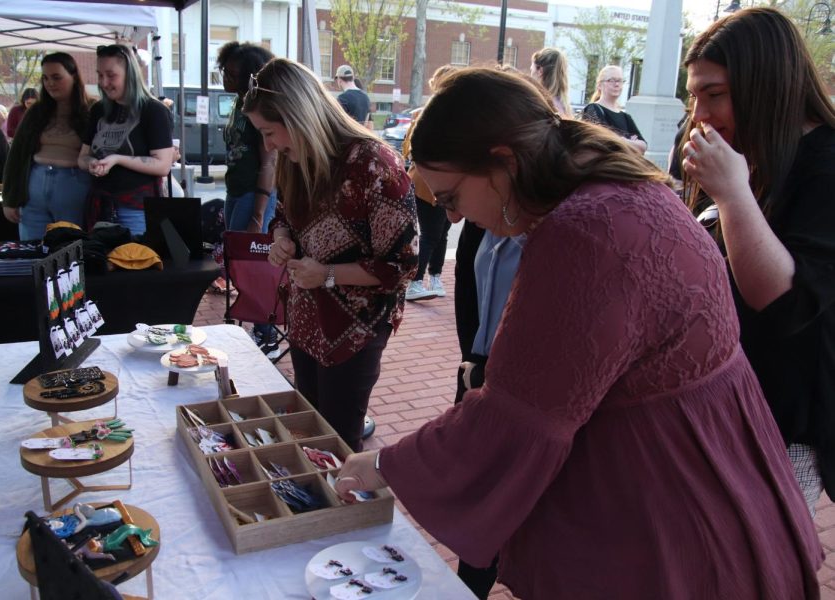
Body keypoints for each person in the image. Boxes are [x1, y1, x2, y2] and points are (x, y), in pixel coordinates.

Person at [333, 67, 822, 598]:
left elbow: (517, 416)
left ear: (504, 162)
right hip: (713, 483)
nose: (451, 220)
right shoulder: (618, 185)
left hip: (669, 518)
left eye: (451, 197)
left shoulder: (582, 232)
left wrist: (384, 463)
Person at [681, 7, 835, 518]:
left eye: (715, 94)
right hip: (718, 408)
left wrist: (730, 193)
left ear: (765, 84)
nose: (699, 113)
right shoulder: (751, 150)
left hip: (783, 426)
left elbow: (783, 301)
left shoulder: (825, 161)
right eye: (694, 95)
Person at [244, 58, 418, 451]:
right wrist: (282, 238)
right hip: (307, 316)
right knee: (311, 427)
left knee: (338, 439)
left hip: (355, 327)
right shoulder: (296, 160)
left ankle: (340, 508)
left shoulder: (374, 164)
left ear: (298, 115)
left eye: (270, 132)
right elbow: (284, 215)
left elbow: (402, 267)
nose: (268, 145)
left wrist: (327, 274)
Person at [215, 41, 280, 356]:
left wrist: (258, 212)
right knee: (239, 264)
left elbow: (269, 163)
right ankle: (258, 330)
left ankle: (266, 334)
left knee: (253, 266)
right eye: (224, 71)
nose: (225, 78)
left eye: (232, 73)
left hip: (255, 195)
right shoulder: (237, 105)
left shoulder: (258, 109)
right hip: (235, 192)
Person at [78, 44, 174, 235]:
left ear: (130, 74)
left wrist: (117, 159)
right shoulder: (98, 110)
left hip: (136, 210)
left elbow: (163, 165)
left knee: (134, 262)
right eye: (100, 75)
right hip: (100, 207)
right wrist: (91, 163)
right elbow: (82, 157)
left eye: (111, 75)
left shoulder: (153, 111)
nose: (104, 82)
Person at [2, 53, 94, 240]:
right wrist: (9, 199)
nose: (50, 83)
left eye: (56, 77)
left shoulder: (92, 109)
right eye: (45, 78)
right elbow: (17, 154)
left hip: (74, 184)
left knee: (72, 251)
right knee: (32, 250)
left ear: (74, 76)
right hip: (34, 184)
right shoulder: (36, 110)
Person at [403, 65, 456, 301]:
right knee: (431, 234)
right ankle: (415, 282)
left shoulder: (445, 113)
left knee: (441, 232)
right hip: (428, 185)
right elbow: (411, 149)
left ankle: (434, 276)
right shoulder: (431, 114)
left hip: (437, 182)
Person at [581, 65, 647, 154]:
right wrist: (630, 142)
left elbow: (643, 146)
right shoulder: (593, 109)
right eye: (611, 80)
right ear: (600, 85)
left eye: (620, 81)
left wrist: (623, 140)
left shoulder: (625, 117)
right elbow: (602, 141)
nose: (616, 84)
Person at [530, 47, 572, 117]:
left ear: (540, 70)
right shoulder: (563, 105)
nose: (531, 71)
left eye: (532, 69)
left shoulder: (538, 104)